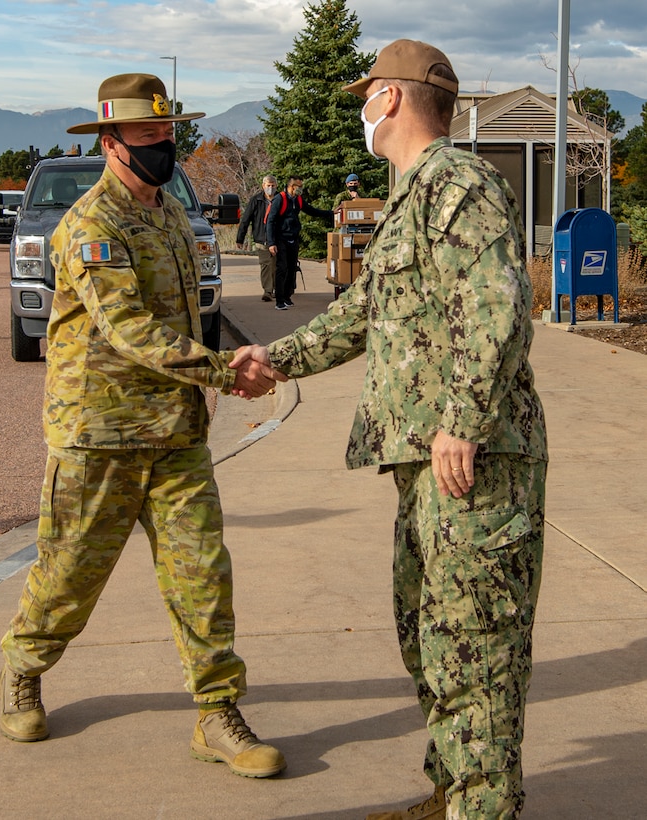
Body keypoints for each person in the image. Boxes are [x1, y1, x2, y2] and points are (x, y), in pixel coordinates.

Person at [231, 39, 547, 818]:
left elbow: (500, 306)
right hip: (427, 464)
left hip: (473, 462)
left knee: (476, 650)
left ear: (394, 98)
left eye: (367, 95)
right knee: (430, 638)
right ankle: (453, 794)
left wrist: (461, 423)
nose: (363, 110)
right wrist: (274, 359)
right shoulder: (414, 194)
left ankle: (484, 810)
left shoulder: (459, 186)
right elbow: (362, 314)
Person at [0, 73, 288, 780]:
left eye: (169, 135)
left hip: (177, 433)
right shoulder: (90, 227)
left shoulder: (167, 219)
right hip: (99, 432)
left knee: (201, 576)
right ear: (110, 141)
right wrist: (225, 371)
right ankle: (23, 671)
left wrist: (209, 387)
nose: (164, 147)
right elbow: (130, 331)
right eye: (149, 137)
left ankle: (216, 712)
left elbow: (190, 318)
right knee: (68, 575)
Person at [266, 176, 332, 311]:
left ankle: (287, 297)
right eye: (299, 186)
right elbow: (270, 221)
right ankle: (279, 300)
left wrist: (331, 213)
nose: (301, 189)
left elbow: (312, 211)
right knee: (282, 268)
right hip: (280, 239)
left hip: (293, 238)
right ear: (292, 187)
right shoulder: (280, 199)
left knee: (292, 268)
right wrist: (271, 243)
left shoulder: (298, 200)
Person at [236, 174, 277, 302]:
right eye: (268, 186)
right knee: (265, 265)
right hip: (261, 238)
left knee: (276, 266)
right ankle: (268, 291)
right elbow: (246, 219)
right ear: (263, 186)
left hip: (277, 239)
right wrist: (240, 238)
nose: (270, 188)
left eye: (272, 186)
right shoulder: (256, 200)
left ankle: (275, 288)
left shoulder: (280, 199)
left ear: (276, 186)